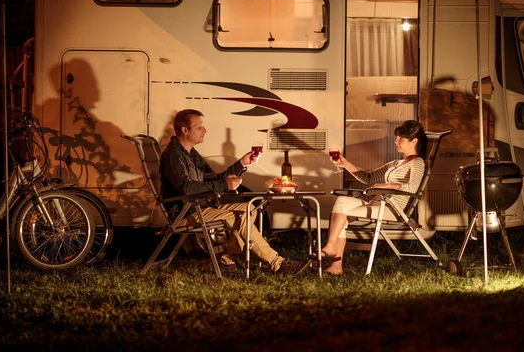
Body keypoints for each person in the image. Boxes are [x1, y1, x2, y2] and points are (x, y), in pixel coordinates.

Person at [160, 109, 310, 275]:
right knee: (241, 216)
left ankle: (227, 259)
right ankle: (278, 263)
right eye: (199, 127)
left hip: (201, 209)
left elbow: (214, 178)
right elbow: (186, 188)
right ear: (184, 130)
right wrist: (224, 185)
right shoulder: (174, 155)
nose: (205, 130)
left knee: (251, 209)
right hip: (186, 213)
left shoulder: (191, 154)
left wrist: (242, 164)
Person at [319, 120, 427, 276]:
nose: (396, 141)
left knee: (342, 212)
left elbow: (412, 188)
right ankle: (334, 260)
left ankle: (331, 253)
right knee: (342, 202)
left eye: (400, 138)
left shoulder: (417, 163)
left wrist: (387, 186)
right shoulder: (394, 163)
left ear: (414, 141)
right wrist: (345, 164)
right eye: (396, 138)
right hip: (376, 205)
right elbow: (368, 178)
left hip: (392, 210)